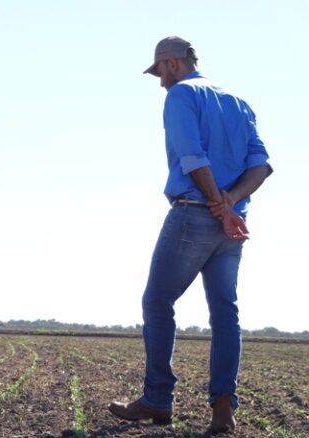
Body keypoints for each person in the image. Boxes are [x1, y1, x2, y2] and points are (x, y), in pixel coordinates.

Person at [108, 36, 273, 435]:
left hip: (195, 217)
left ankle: (158, 398)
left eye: (159, 72)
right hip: (232, 227)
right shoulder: (237, 101)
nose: (159, 81)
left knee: (158, 300)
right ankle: (222, 408)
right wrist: (231, 204)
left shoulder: (181, 95)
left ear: (172, 64)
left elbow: (191, 155)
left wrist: (217, 203)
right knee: (224, 313)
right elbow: (262, 165)